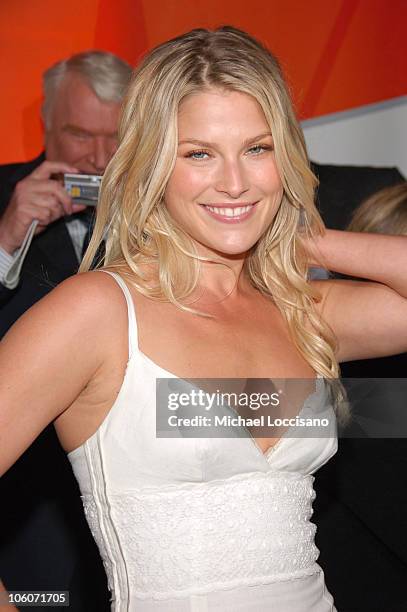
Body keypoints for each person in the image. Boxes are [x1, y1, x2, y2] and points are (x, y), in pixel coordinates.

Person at [1, 26, 407, 611]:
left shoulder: (299, 308)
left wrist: (303, 241)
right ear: (151, 165)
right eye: (199, 154)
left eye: (257, 149)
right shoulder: (97, 312)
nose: (235, 182)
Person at [0, 50, 131, 610]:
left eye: (116, 137)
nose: (100, 158)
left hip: (144, 493)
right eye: (80, 135)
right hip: (30, 509)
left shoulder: (171, 209)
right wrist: (5, 240)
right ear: (46, 124)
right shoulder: (4, 195)